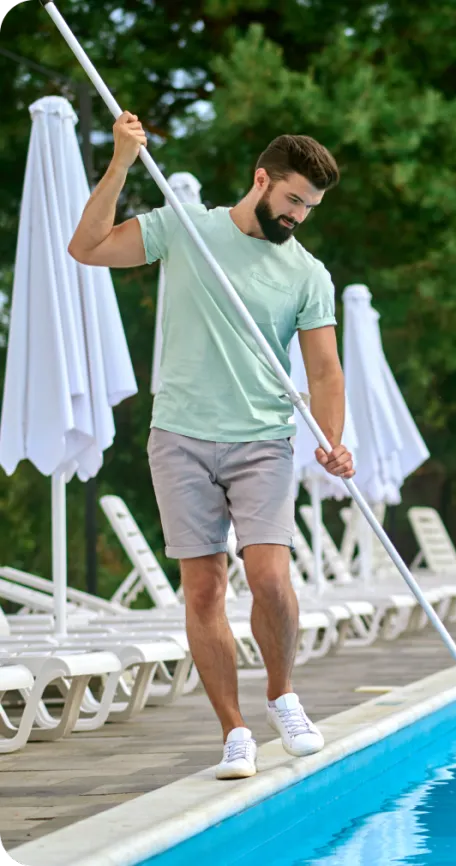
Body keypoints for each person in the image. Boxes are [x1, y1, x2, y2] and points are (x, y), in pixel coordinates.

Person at [68, 111, 355, 780]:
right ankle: (234, 733)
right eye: (292, 200)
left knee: (271, 579)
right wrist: (120, 165)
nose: (298, 217)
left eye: (309, 208)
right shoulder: (185, 227)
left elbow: (325, 371)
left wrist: (332, 441)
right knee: (203, 591)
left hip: (263, 438)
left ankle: (282, 694)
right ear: (262, 179)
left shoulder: (308, 275)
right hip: (181, 437)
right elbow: (87, 248)